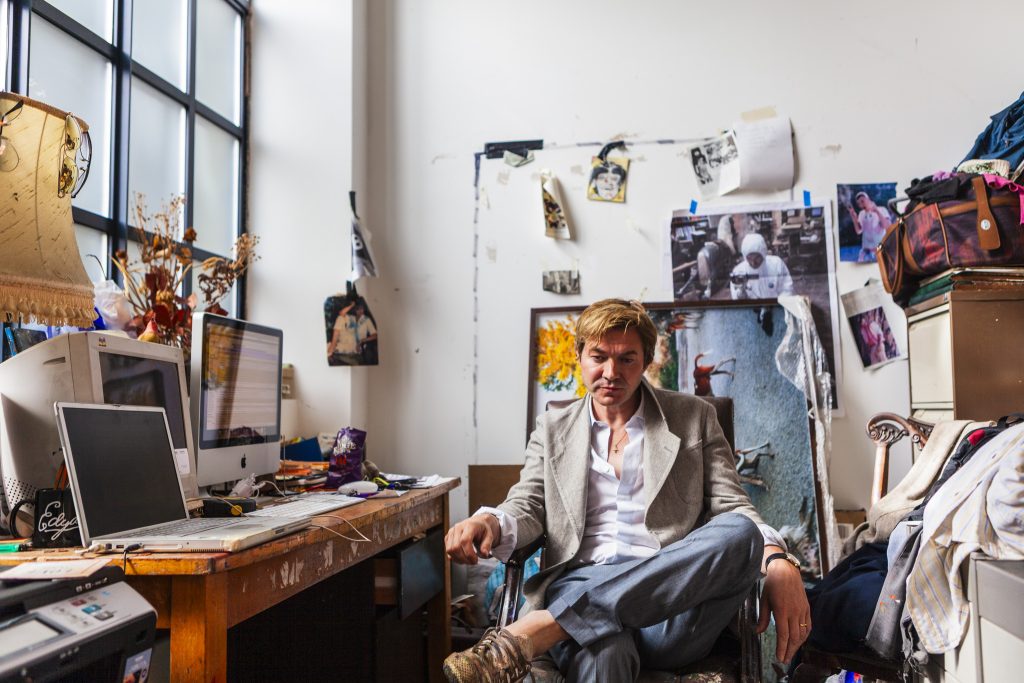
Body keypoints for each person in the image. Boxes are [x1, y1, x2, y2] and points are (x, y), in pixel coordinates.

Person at [443, 299, 810, 682]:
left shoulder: (694, 418)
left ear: (648, 360)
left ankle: (550, 626)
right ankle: (578, 622)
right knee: (604, 653)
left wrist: (777, 559)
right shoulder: (552, 428)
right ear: (580, 355)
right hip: (582, 580)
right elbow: (529, 502)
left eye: (627, 359)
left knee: (740, 533)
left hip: (671, 609)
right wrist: (488, 520)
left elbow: (734, 506)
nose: (610, 373)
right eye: (598, 357)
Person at [729, 233, 794, 300]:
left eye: (757, 258)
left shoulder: (776, 264)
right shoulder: (738, 271)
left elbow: (787, 289)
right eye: (749, 258)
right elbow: (737, 300)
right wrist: (741, 291)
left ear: (763, 254)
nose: (753, 263)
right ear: (745, 257)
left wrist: (777, 306)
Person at [327, 299, 377, 365]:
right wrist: (352, 305)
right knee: (340, 318)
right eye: (358, 309)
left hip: (355, 343)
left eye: (362, 309)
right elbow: (341, 313)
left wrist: (363, 340)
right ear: (355, 310)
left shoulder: (366, 320)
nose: (360, 311)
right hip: (345, 338)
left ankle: (332, 347)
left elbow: (375, 335)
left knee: (327, 348)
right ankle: (333, 345)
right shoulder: (352, 318)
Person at [848, 191, 892, 262]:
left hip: (881, 251)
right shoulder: (861, 214)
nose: (861, 205)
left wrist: (876, 211)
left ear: (868, 199)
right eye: (859, 203)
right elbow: (859, 231)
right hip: (866, 252)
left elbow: (888, 227)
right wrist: (854, 219)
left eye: (862, 201)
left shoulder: (882, 209)